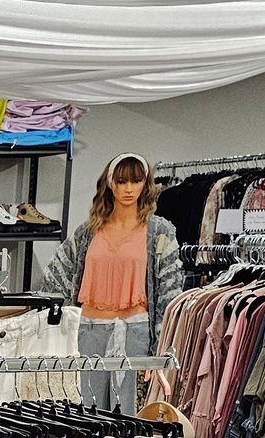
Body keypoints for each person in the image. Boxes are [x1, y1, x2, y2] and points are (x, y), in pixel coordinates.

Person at [41, 152, 182, 410]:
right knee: (84, 410)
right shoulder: (88, 232)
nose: (129, 189)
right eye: (121, 181)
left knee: (127, 414)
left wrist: (162, 349)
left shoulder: (159, 232)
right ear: (109, 183)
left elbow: (169, 292)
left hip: (136, 333)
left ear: (146, 184)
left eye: (136, 181)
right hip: (88, 332)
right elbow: (55, 277)